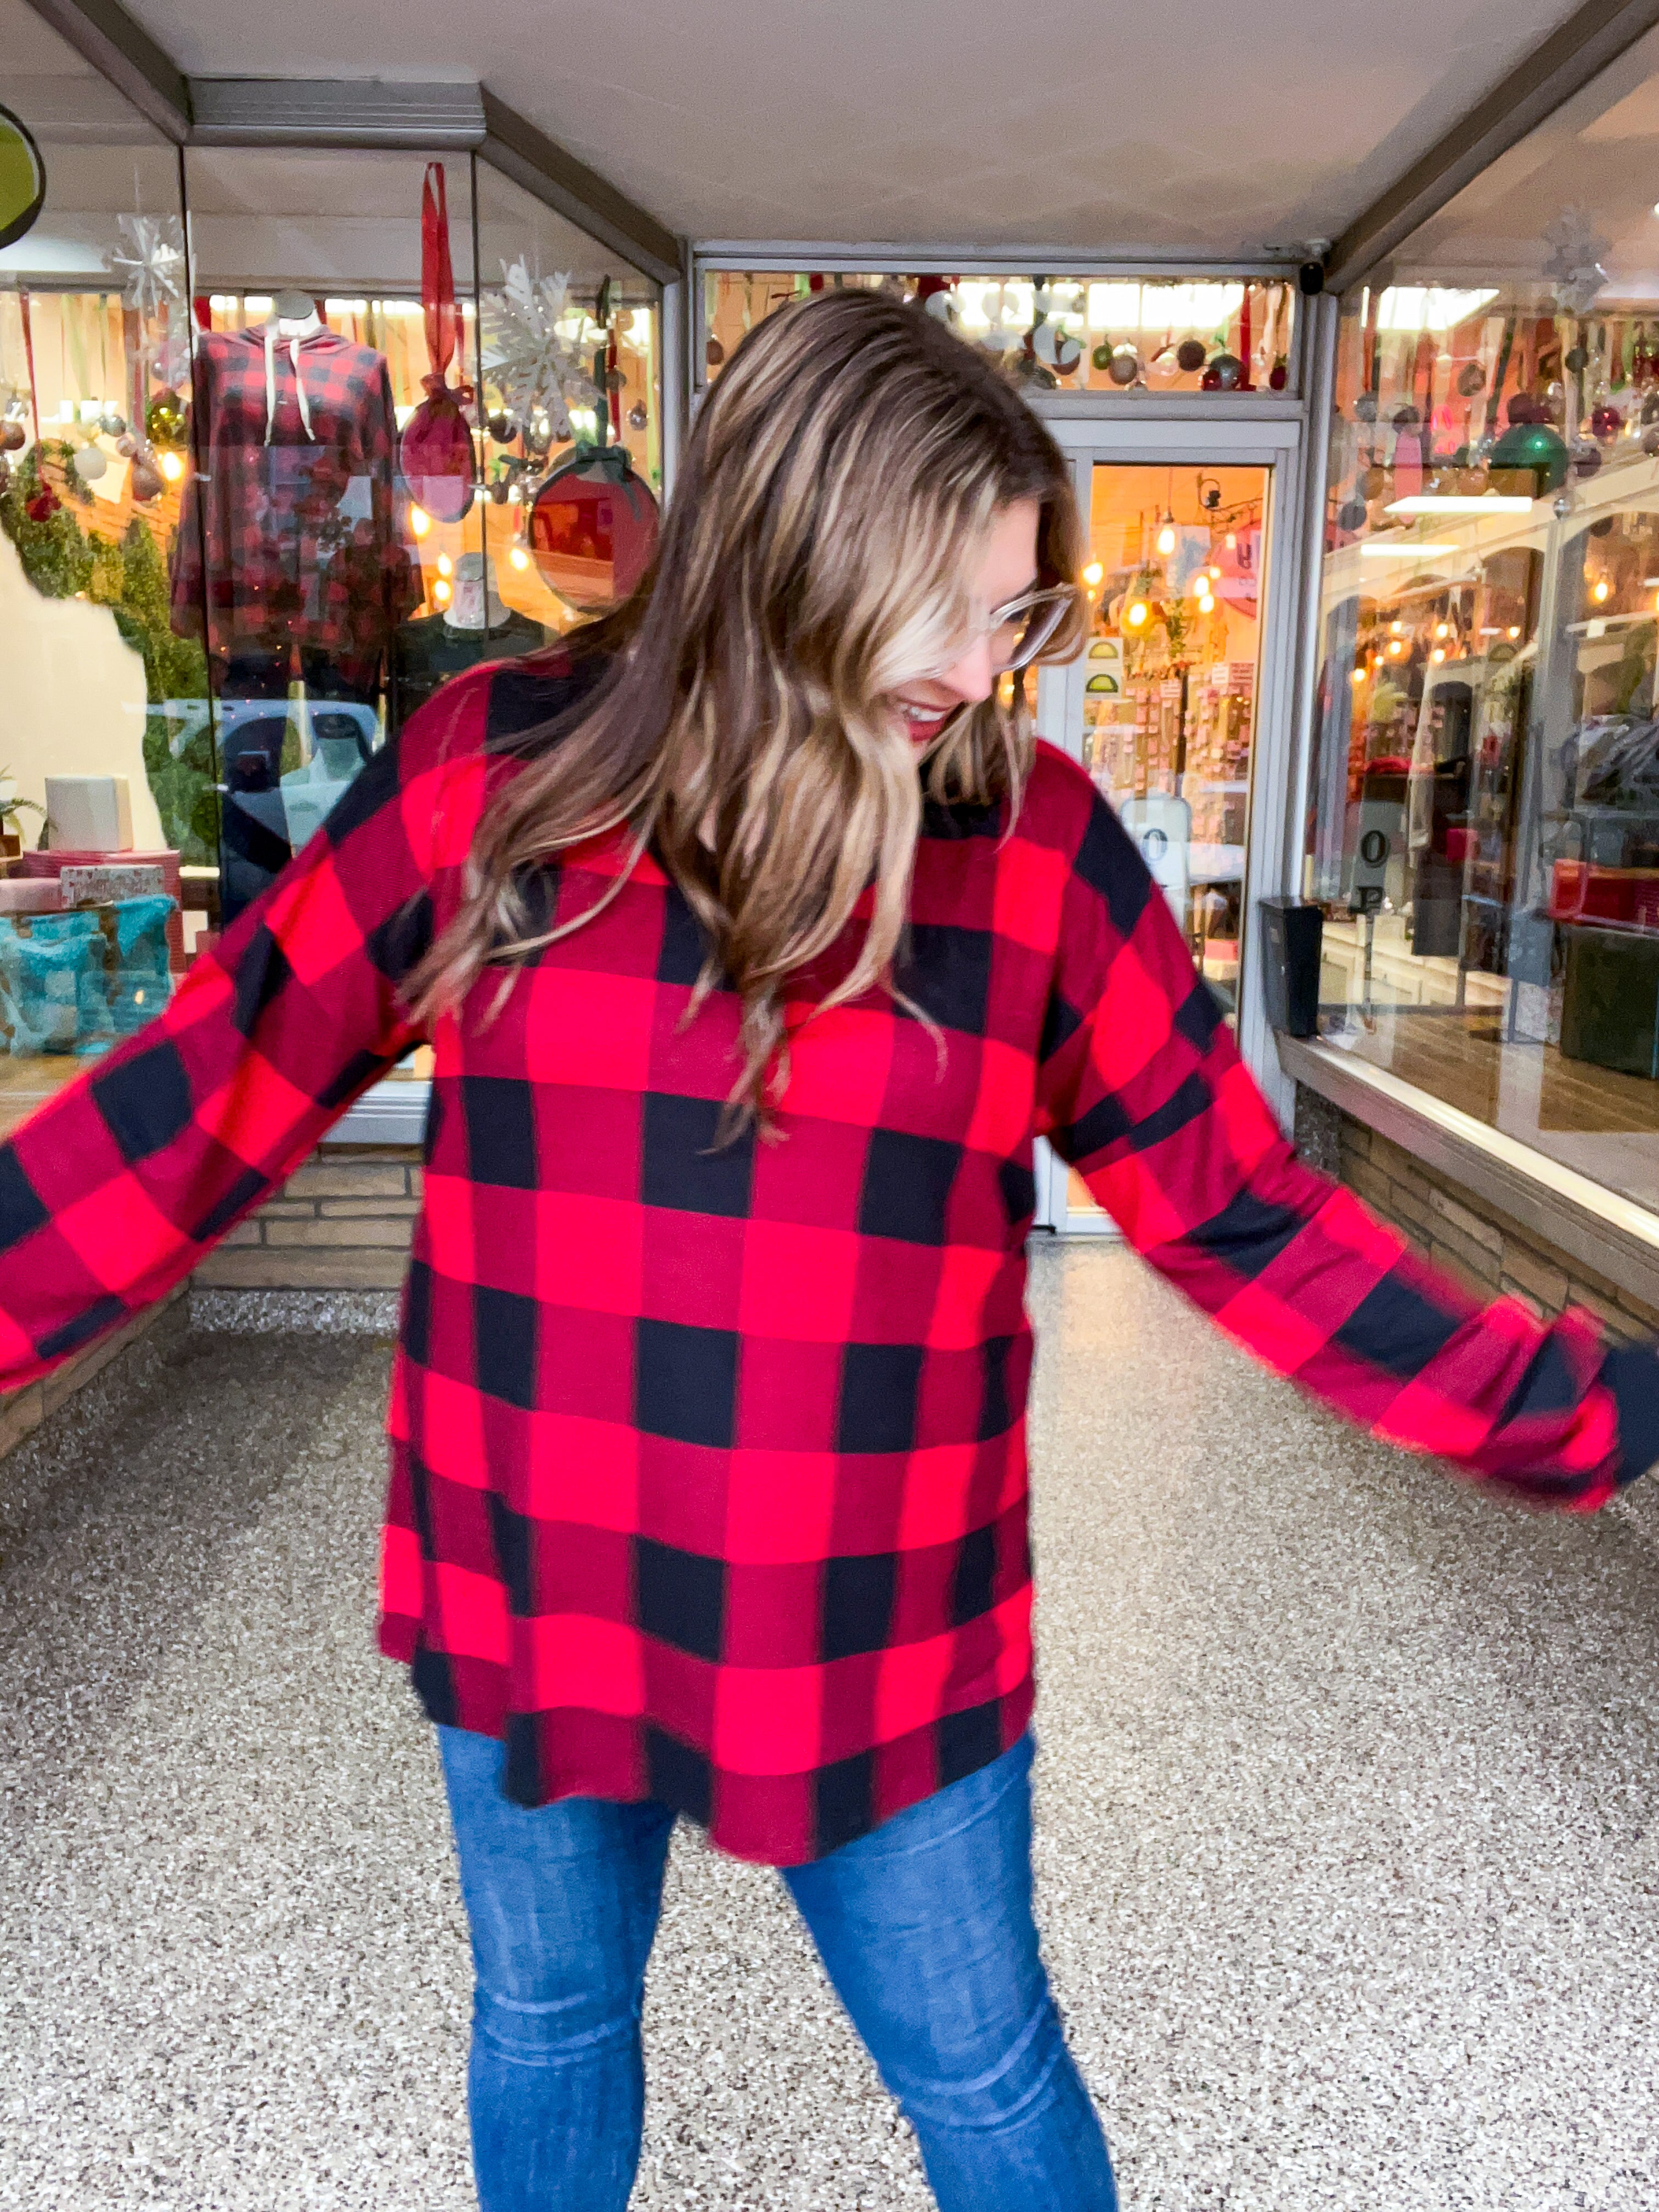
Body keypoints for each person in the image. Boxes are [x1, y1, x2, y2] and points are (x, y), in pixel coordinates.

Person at [1, 289, 1654, 2212]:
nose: (980, 663)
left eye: (1015, 608)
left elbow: (1241, 1211)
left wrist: (1577, 1406)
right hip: (546, 1571)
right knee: (546, 2026)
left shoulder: (1028, 848)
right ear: (785, 556)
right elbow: (216, 1083)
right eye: (941, 606)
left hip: (881, 1620)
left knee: (987, 2076)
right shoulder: (495, 775)